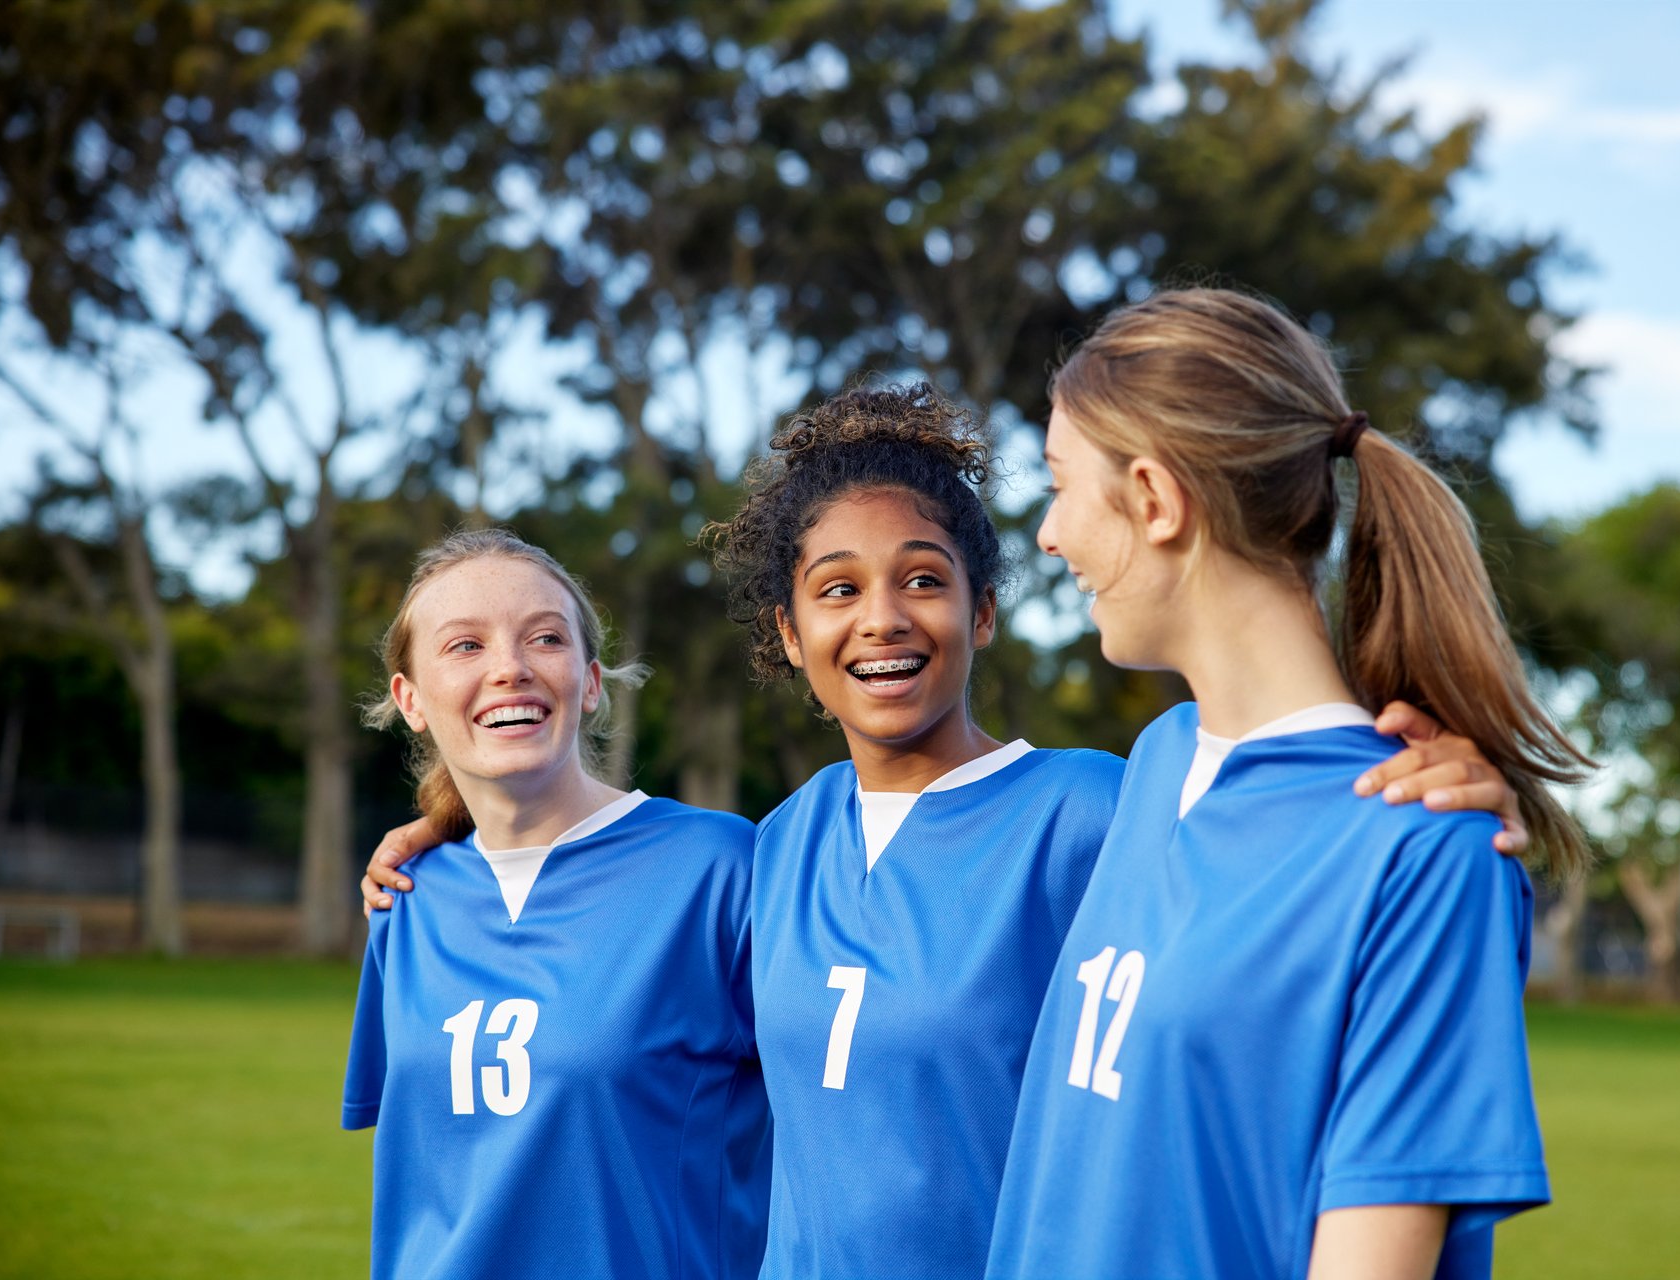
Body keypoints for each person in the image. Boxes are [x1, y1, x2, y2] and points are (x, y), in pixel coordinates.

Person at [359, 387, 1526, 1280]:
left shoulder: (1099, 810)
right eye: (837, 588)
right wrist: (447, 819)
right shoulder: (782, 843)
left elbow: (1294, 860)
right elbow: (594, 897)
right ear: (789, 629)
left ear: (982, 607)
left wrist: (1456, 783)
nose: (883, 619)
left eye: (922, 578)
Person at [985, 288, 1591, 1280]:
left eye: (1060, 483)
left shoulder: (1428, 850)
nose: (1048, 534)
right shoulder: (1158, 765)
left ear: (1155, 498)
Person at [341, 529, 770, 1280]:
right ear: (410, 699)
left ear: (591, 679)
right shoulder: (407, 893)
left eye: (543, 637)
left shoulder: (720, 867)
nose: (509, 669)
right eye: (464, 646)